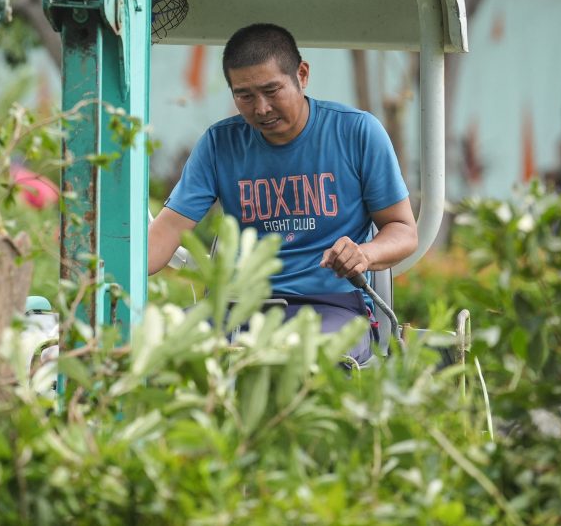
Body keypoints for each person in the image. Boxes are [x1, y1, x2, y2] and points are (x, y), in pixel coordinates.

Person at [147, 23, 417, 363]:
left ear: (302, 75)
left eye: (272, 90)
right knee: (153, 343)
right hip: (239, 309)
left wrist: (364, 254)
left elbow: (403, 231)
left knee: (300, 358)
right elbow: (167, 231)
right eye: (245, 96)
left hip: (330, 309)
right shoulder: (219, 144)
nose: (261, 108)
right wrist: (99, 273)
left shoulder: (358, 132)